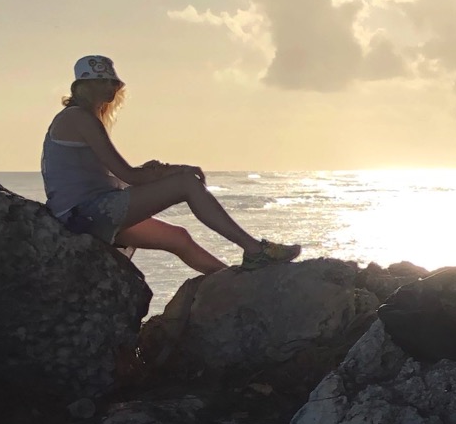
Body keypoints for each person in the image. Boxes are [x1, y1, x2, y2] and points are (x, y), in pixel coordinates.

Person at [41, 55, 301, 274]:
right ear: (82, 87)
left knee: (179, 238)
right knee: (186, 184)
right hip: (86, 214)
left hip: (88, 213)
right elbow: (129, 175)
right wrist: (175, 171)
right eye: (101, 81)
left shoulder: (82, 118)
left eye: (113, 81)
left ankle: (232, 282)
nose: (109, 87)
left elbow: (111, 176)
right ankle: (254, 250)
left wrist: (156, 171)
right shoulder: (79, 117)